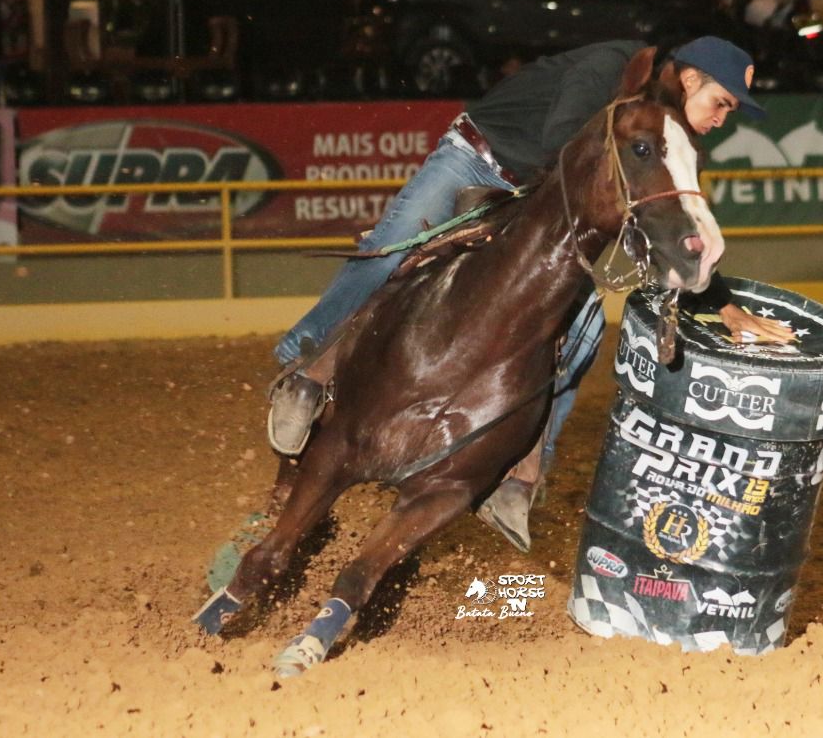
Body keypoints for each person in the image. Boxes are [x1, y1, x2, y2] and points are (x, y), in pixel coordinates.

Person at [271, 36, 795, 550]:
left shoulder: (664, 134)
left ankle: (518, 475)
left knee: (583, 333)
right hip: (478, 162)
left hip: (539, 199)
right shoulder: (608, 69)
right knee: (391, 250)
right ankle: (306, 367)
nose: (724, 118)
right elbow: (561, 148)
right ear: (688, 80)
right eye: (721, 102)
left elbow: (667, 214)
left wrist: (719, 300)